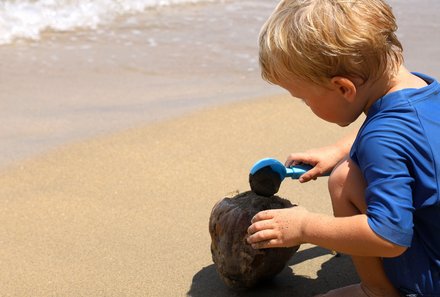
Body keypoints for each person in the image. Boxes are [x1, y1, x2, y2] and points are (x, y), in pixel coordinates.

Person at [246, 0, 440, 296]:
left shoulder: (382, 139)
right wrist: (341, 148)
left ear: (343, 88)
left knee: (344, 178)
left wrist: (306, 227)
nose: (306, 106)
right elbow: (411, 141)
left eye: (305, 99)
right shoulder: (427, 90)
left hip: (431, 280)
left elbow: (389, 236)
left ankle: (376, 290)